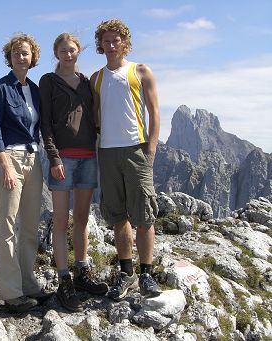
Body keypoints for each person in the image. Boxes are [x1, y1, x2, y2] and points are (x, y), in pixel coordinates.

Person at [90, 19, 162, 300]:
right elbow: (95, 115)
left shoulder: (140, 71)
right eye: (106, 41)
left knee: (144, 215)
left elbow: (155, 113)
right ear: (101, 44)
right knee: (118, 215)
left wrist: (151, 149)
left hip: (136, 149)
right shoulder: (96, 78)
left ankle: (147, 275)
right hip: (107, 151)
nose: (110, 45)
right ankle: (126, 273)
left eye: (115, 40)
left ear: (124, 42)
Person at [40, 33, 108, 312]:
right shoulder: (48, 81)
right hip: (63, 160)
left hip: (88, 156)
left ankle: (82, 271)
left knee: (81, 218)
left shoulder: (86, 82)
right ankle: (64, 279)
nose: (68, 54)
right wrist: (54, 157)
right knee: (60, 221)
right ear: (56, 53)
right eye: (63, 50)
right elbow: (45, 123)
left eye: (72, 50)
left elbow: (96, 115)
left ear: (79, 52)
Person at [0, 33, 51, 313]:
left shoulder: (34, 90)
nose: (20, 57)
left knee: (30, 224)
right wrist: (6, 165)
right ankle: (11, 292)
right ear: (9, 58)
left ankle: (28, 283)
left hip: (33, 159)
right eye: (15, 53)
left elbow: (39, 128)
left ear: (32, 57)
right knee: (8, 226)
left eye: (25, 53)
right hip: (9, 159)